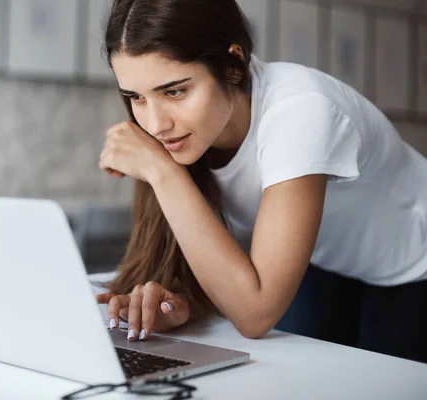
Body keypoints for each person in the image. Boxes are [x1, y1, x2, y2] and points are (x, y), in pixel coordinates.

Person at [95, 0, 427, 363]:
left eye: (174, 91)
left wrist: (162, 171)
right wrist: (180, 306)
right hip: (328, 257)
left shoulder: (301, 111)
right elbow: (223, 272)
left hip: (412, 262)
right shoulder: (196, 132)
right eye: (136, 98)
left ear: (232, 67)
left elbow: (255, 312)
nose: (156, 125)